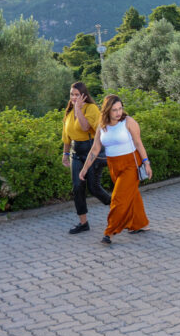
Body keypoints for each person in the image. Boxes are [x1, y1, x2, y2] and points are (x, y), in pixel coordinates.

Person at [78, 95, 150, 244]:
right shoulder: (102, 125)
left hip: (131, 163)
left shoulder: (128, 122)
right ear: (107, 111)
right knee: (131, 195)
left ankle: (110, 232)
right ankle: (139, 223)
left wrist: (146, 162)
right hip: (113, 165)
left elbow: (138, 143)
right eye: (114, 110)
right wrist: (84, 169)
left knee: (118, 198)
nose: (118, 113)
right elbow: (95, 148)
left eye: (120, 108)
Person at [62, 82, 111, 234]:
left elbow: (84, 127)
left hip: (92, 151)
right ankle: (83, 223)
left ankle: (121, 210)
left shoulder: (91, 109)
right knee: (77, 187)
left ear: (84, 95)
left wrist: (79, 110)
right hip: (76, 153)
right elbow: (67, 135)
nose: (74, 97)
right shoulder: (69, 112)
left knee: (94, 188)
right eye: (72, 94)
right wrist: (65, 154)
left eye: (77, 95)